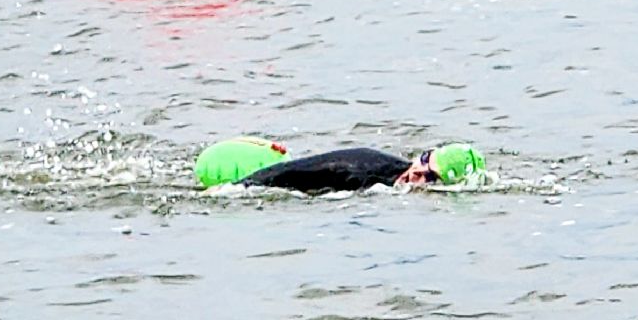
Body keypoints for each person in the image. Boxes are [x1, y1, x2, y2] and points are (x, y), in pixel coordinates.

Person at [195, 138, 485, 194]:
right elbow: (287, 173)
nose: (417, 173)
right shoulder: (356, 169)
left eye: (430, 177)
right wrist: (232, 190)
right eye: (423, 160)